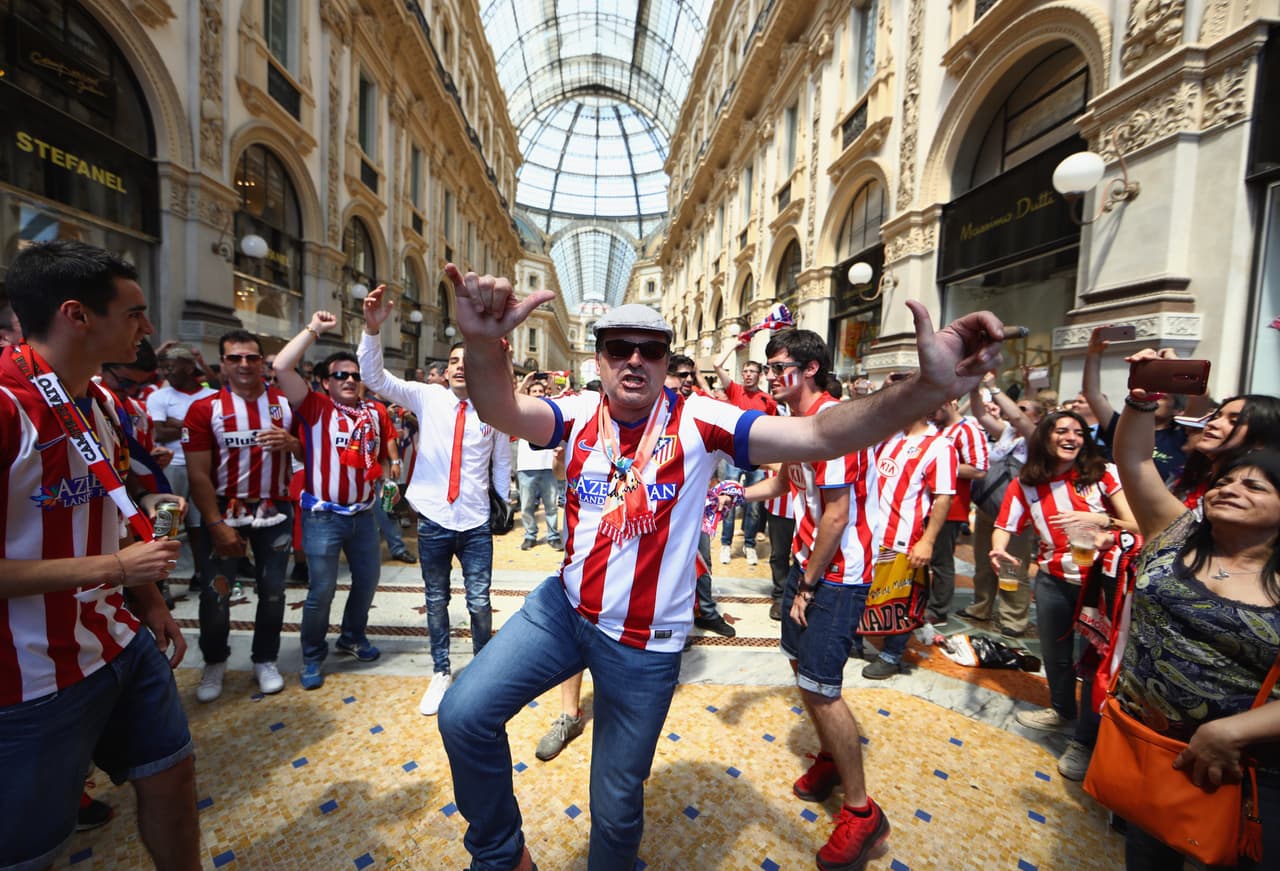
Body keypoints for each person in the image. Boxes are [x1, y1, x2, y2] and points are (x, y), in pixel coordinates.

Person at [431, 264, 1007, 871]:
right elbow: (501, 408)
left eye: (651, 350)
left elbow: (817, 432)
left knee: (617, 805)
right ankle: (501, 855)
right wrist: (480, 343)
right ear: (598, 359)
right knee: (464, 714)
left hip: (644, 643)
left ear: (665, 361)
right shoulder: (575, 413)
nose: (634, 360)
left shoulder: (701, 419)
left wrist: (924, 389)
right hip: (564, 609)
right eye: (619, 348)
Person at [0, 240, 198, 870]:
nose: (148, 329)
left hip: (118, 639)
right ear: (77, 315)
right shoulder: (6, 407)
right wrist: (116, 570)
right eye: (135, 313)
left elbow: (108, 511)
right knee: (31, 848)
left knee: (172, 776)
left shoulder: (102, 403)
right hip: (28, 679)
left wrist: (149, 601)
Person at [1109, 359, 1280, 868]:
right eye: (1225, 481)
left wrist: (1231, 731)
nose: (1230, 489)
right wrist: (1141, 398)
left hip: (1246, 772)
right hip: (1147, 748)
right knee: (1147, 858)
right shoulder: (1176, 533)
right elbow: (1135, 460)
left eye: (1255, 487)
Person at [741, 327, 887, 859]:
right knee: (800, 667)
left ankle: (862, 813)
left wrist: (805, 586)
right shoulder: (797, 424)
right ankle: (830, 757)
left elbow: (837, 516)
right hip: (810, 562)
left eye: (779, 368)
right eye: (769, 368)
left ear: (809, 370)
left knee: (823, 687)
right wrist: (733, 493)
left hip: (838, 574)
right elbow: (784, 483)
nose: (771, 377)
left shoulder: (833, 425)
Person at [358, 305, 512, 718]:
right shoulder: (428, 398)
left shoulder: (493, 409)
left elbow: (501, 461)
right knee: (436, 598)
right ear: (445, 371)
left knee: (479, 601)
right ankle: (441, 670)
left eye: (467, 361)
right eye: (453, 361)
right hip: (434, 520)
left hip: (475, 522)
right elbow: (375, 379)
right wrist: (372, 330)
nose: (460, 367)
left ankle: (483, 669)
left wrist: (502, 506)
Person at [991, 410, 1136, 776]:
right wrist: (998, 549)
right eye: (1062, 430)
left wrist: (1100, 520)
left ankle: (1084, 741)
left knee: (1093, 663)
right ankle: (1062, 710)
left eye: (1078, 431)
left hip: (1102, 583)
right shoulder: (1026, 484)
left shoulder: (1104, 474)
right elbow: (1003, 525)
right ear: (1045, 437)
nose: (1071, 437)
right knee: (1055, 655)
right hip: (1053, 580)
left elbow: (1137, 524)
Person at [275, 312, 395, 689]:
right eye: (340, 375)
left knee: (367, 581)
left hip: (363, 515)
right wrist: (313, 329)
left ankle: (352, 637)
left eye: (355, 375)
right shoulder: (315, 407)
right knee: (321, 590)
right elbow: (281, 366)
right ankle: (313, 655)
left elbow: (379, 457)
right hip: (323, 517)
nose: (349, 380)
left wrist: (387, 480)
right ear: (326, 382)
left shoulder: (374, 412)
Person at [184, 329, 296, 701]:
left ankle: (265, 659)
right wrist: (214, 523)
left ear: (263, 362)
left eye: (251, 357)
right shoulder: (205, 409)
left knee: (274, 590)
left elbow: (312, 450)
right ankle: (215, 661)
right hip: (223, 508)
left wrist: (293, 442)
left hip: (275, 509)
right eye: (235, 358)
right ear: (222, 364)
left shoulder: (286, 404)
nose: (244, 364)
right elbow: (198, 475)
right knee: (215, 592)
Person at [862, 414, 956, 678]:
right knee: (866, 592)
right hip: (869, 533)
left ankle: (892, 655)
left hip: (903, 537)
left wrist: (927, 541)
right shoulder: (888, 436)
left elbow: (943, 498)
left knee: (900, 600)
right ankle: (857, 638)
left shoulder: (940, 446)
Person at [962, 383, 1044, 635]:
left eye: (1024, 408)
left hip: (1016, 516)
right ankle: (981, 606)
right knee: (983, 562)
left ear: (1037, 417)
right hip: (988, 509)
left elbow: (1017, 418)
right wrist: (974, 388)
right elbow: (980, 414)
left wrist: (992, 385)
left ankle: (1013, 618)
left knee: (1012, 566)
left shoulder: (1036, 438)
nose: (1016, 410)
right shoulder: (1007, 432)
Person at [148, 346, 218, 593]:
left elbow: (214, 432)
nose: (166, 371)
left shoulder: (211, 396)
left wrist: (180, 425)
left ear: (189, 367)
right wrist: (195, 427)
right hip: (171, 466)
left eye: (171, 366)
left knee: (200, 525)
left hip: (203, 466)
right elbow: (160, 433)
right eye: (164, 366)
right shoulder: (159, 397)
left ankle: (201, 574)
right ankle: (161, 580)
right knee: (166, 524)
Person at [713, 341, 778, 566]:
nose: (748, 375)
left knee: (754, 505)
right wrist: (733, 345)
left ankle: (749, 545)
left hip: (757, 458)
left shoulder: (768, 400)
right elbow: (717, 364)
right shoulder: (735, 390)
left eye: (752, 371)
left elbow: (772, 429)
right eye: (745, 371)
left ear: (760, 375)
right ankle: (725, 544)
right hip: (733, 455)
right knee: (728, 499)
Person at [926, 399, 988, 623]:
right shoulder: (937, 428)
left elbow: (978, 469)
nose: (929, 414)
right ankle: (922, 601)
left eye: (932, 409)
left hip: (951, 507)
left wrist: (935, 464)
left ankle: (938, 609)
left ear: (946, 404)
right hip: (925, 503)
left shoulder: (968, 430)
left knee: (941, 560)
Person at [516, 378, 564, 551]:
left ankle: (553, 536)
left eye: (540, 391)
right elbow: (512, 398)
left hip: (548, 466)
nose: (537, 394)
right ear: (528, 394)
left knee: (551, 505)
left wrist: (551, 383)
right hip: (526, 466)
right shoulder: (521, 410)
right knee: (527, 506)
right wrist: (525, 381)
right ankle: (530, 535)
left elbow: (561, 399)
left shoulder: (551, 410)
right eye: (534, 391)